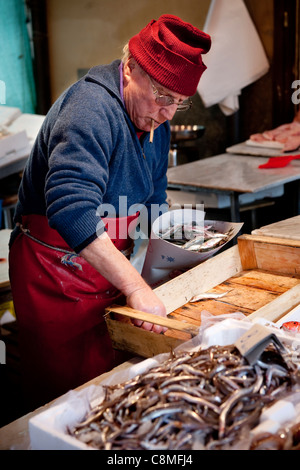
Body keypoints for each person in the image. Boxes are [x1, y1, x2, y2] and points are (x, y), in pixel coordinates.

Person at [9, 14, 211, 409]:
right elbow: (71, 210)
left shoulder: (157, 118)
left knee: (110, 388)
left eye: (179, 103)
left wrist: (177, 260)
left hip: (105, 269)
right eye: (162, 96)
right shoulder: (90, 108)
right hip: (53, 272)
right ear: (131, 67)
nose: (168, 112)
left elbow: (154, 202)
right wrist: (136, 286)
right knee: (63, 401)